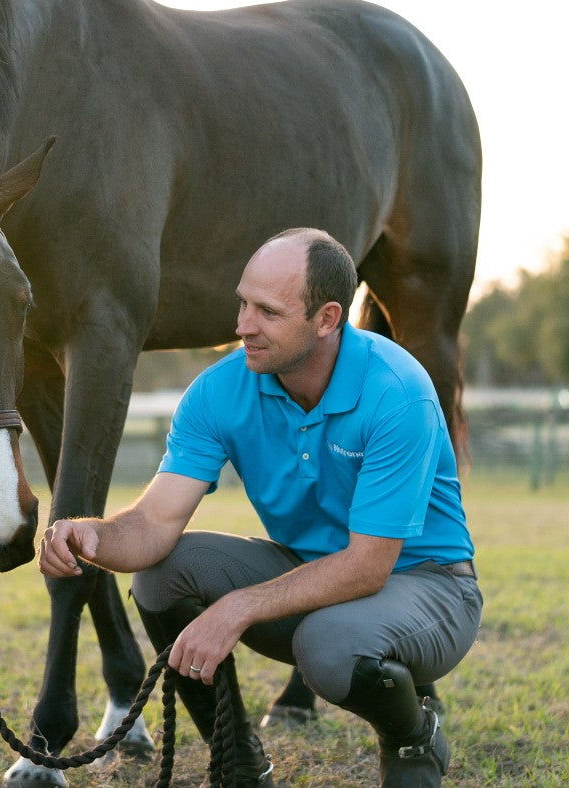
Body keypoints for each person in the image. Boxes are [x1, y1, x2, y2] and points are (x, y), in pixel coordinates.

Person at [39, 228, 481, 787]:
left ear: (327, 319)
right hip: (309, 577)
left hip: (429, 585)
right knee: (160, 576)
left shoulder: (397, 390)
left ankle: (414, 735)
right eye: (243, 303)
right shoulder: (219, 390)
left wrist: (237, 607)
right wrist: (93, 537)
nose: (244, 325)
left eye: (268, 311)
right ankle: (238, 762)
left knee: (329, 645)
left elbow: (369, 566)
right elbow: (154, 521)